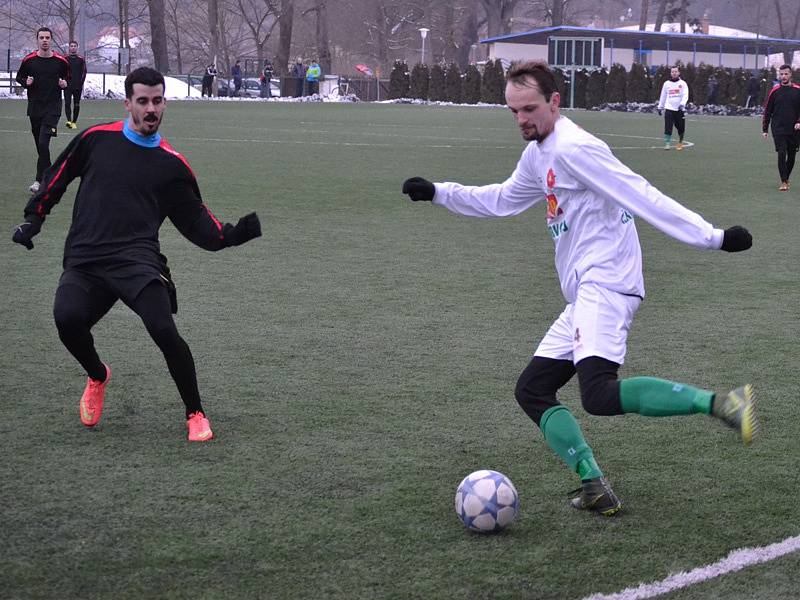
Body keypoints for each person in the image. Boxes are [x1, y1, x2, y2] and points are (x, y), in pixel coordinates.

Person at [401, 60, 755, 516]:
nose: (521, 119)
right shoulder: (538, 154)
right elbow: (505, 200)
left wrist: (715, 238)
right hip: (585, 292)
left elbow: (640, 192)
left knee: (599, 395)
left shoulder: (576, 148)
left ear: (554, 101)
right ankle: (593, 484)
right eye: (513, 111)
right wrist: (439, 192)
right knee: (532, 389)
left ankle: (724, 404)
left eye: (528, 108)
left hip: (607, 282)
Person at [11, 67, 262, 442]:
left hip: (137, 262)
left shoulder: (172, 165)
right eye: (142, 101)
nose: (150, 109)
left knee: (163, 328)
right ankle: (98, 375)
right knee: (67, 320)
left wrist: (235, 234)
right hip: (86, 259)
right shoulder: (97, 140)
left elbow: (198, 223)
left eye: (157, 101)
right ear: (127, 103)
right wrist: (34, 218)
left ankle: (195, 413)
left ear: (165, 104)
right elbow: (57, 176)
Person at [15, 27, 70, 194]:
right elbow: (19, 77)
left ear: (51, 40)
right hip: (35, 108)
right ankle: (48, 176)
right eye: (42, 37)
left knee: (43, 143)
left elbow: (68, 77)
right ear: (37, 40)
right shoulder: (29, 60)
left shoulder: (61, 61)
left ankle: (41, 181)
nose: (44, 40)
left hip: (53, 108)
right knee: (41, 148)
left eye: (47, 37)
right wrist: (27, 83)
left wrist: (64, 84)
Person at [761, 64, 800, 191]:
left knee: (792, 156)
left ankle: (786, 178)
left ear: (790, 75)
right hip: (778, 128)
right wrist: (765, 129)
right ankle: (783, 181)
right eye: (781, 74)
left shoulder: (797, 90)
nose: (783, 76)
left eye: (786, 74)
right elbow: (768, 111)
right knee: (782, 153)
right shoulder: (774, 91)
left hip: (795, 129)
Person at [657, 65, 689, 150]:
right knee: (668, 126)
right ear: (670, 73)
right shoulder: (666, 84)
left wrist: (682, 104)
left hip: (679, 109)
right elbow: (663, 95)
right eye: (672, 72)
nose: (674, 73)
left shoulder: (683, 84)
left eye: (675, 71)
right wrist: (660, 107)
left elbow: (685, 95)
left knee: (681, 127)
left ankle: (680, 142)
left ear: (679, 73)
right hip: (669, 108)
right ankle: (667, 143)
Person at [63, 40, 86, 130]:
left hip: (77, 86)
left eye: (74, 46)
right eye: (71, 46)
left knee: (76, 104)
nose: (73, 47)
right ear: (69, 48)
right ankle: (69, 121)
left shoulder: (81, 59)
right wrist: (63, 81)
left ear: (77, 47)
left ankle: (74, 122)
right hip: (67, 86)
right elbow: (62, 71)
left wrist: (80, 83)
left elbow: (84, 72)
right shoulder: (65, 59)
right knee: (67, 103)